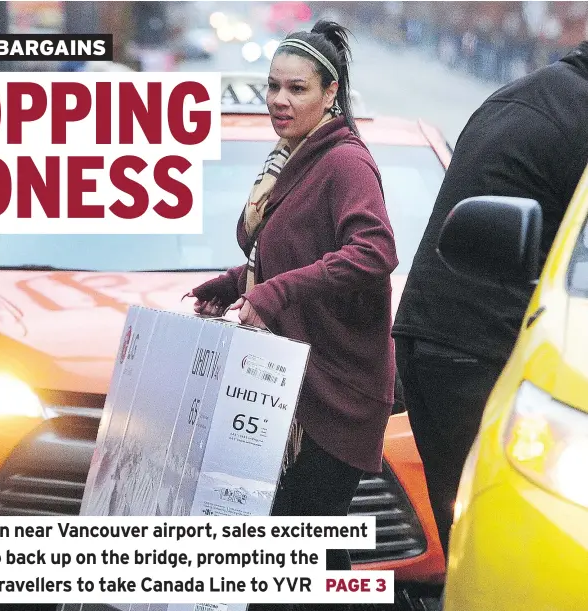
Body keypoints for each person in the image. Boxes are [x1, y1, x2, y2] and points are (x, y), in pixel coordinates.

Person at [188, 19, 398, 582]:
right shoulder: (290, 159)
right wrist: (236, 283)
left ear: (331, 94)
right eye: (273, 87)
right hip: (293, 382)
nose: (280, 100)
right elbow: (295, 250)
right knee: (305, 551)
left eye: (297, 89)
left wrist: (275, 292)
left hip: (336, 392)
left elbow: (374, 250)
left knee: (296, 547)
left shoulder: (343, 161)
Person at [393, 40, 588, 557]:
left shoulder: (529, 96)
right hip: (481, 350)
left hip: (433, 338)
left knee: (472, 534)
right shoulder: (577, 119)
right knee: (506, 542)